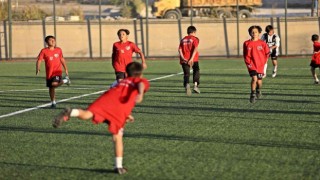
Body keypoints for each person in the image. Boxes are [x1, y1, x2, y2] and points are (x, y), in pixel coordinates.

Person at [52, 62, 150, 175]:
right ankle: (118, 166)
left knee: (87, 114)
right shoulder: (141, 81)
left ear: (126, 73)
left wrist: (126, 114)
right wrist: (141, 94)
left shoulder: (122, 82)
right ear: (141, 74)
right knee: (117, 137)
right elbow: (140, 85)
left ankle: (71, 112)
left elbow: (116, 97)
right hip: (118, 110)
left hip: (105, 99)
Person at [36, 35, 70, 108]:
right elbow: (39, 60)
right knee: (51, 88)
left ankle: (65, 80)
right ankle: (53, 102)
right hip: (49, 73)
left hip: (57, 71)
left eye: (54, 40)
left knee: (54, 84)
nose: (53, 41)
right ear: (46, 42)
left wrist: (66, 69)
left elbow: (62, 59)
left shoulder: (58, 50)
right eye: (51, 40)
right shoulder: (44, 51)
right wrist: (38, 68)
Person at [243, 26, 270, 103]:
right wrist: (248, 63)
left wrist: (264, 63)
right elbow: (245, 55)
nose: (254, 33)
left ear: (259, 33)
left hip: (261, 65)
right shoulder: (246, 43)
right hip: (251, 65)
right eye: (252, 32)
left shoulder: (263, 43)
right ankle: (252, 94)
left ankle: (258, 89)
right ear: (250, 33)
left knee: (259, 82)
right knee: (254, 79)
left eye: (256, 32)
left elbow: (267, 54)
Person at [178, 25, 200, 96]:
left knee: (186, 74)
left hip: (184, 59)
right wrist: (191, 59)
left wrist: (183, 57)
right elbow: (195, 49)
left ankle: (187, 84)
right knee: (196, 70)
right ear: (193, 32)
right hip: (194, 59)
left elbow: (179, 49)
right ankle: (196, 85)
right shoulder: (194, 39)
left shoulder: (183, 39)